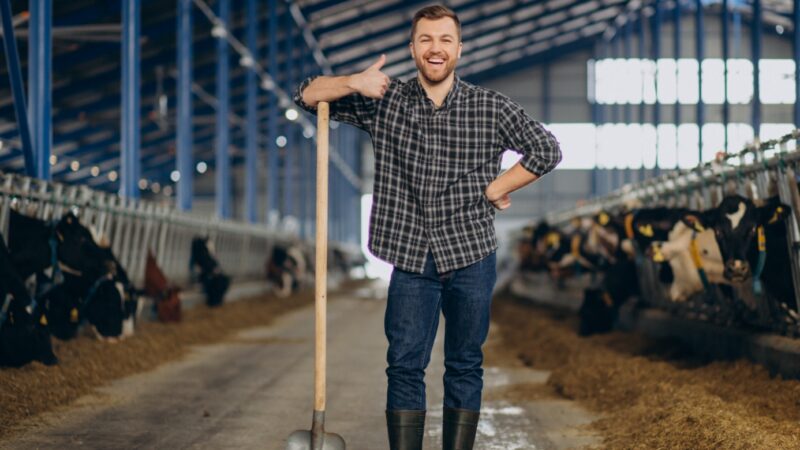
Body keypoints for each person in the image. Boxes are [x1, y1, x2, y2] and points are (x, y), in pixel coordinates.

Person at [294, 5, 561, 449]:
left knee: (464, 364)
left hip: (471, 255)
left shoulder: (489, 106)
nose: (435, 49)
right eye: (426, 40)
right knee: (403, 364)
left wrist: (500, 186)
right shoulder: (386, 101)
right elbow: (305, 95)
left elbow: (546, 149)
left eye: (444, 40)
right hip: (411, 258)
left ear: (459, 48)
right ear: (413, 48)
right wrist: (354, 83)